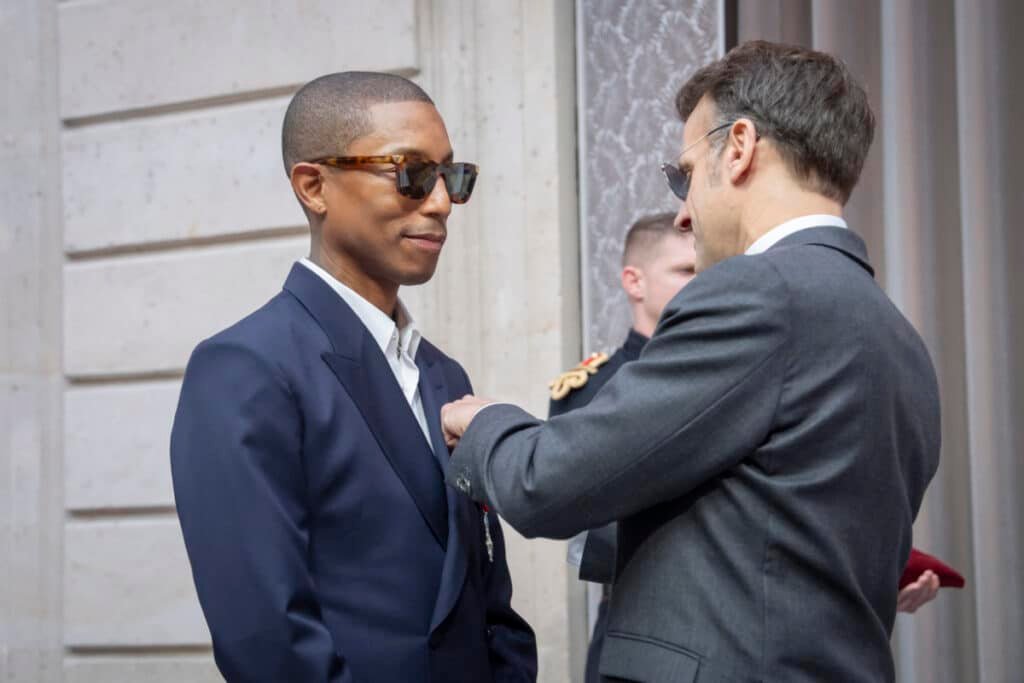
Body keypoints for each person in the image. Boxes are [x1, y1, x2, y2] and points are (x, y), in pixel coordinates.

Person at [442, 41, 941, 682]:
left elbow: (550, 484)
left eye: (683, 175)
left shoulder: (759, 292)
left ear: (738, 148)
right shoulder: (900, 338)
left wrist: (486, 422)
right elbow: (766, 527)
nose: (682, 213)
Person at [170, 72, 536, 683]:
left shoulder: (443, 373)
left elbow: (488, 602)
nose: (442, 201)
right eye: (412, 174)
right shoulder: (245, 368)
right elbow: (268, 640)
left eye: (452, 176)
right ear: (314, 186)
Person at [554, 213, 949, 682]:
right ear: (634, 282)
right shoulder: (595, 385)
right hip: (646, 639)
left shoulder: (757, 356)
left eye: (704, 269)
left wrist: (868, 572)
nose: (702, 282)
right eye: (684, 271)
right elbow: (577, 513)